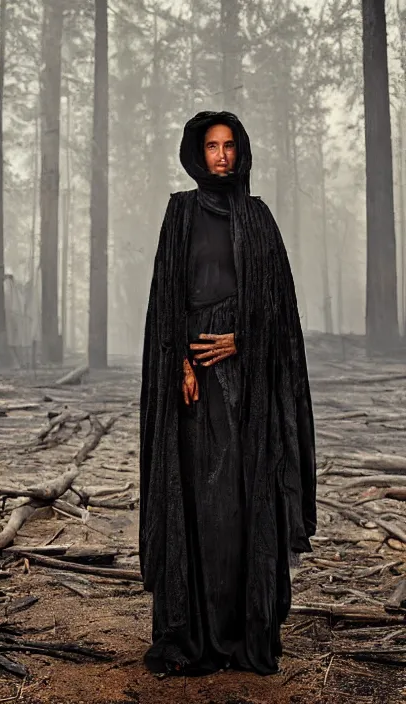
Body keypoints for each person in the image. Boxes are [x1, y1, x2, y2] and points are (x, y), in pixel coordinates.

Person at [138, 111, 316, 677]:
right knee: (194, 497)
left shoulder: (258, 217)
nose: (220, 154)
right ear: (196, 152)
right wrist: (180, 363)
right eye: (211, 145)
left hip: (247, 387)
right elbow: (167, 296)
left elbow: (280, 309)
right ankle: (191, 632)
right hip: (194, 387)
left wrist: (243, 337)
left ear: (240, 153)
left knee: (240, 498)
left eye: (229, 145)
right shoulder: (180, 213)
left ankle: (242, 632)